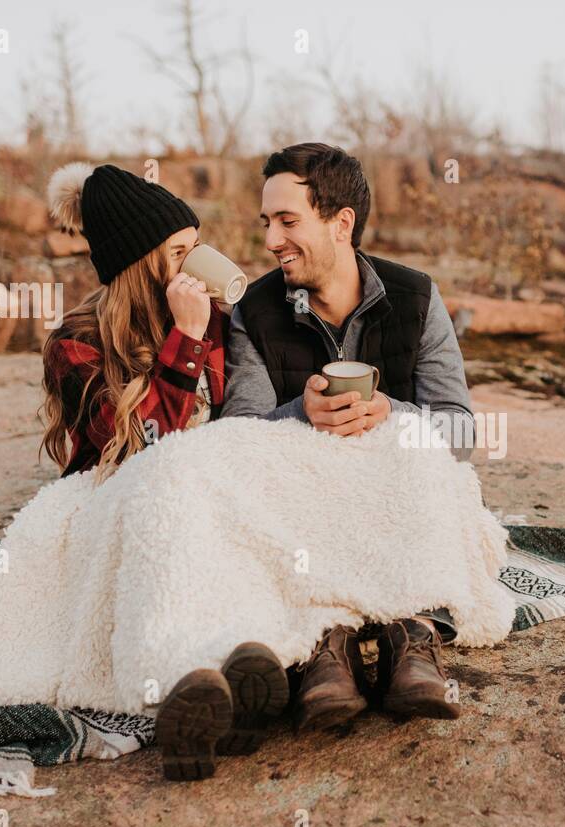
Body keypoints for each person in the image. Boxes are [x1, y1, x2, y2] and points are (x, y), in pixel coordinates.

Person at [39, 162, 289, 781]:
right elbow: (145, 445)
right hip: (120, 504)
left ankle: (229, 682)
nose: (196, 262)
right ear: (141, 262)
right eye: (181, 252)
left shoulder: (225, 323)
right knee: (167, 490)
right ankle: (181, 686)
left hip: (206, 502)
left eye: (197, 246)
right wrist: (185, 339)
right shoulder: (75, 342)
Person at [220, 143, 475, 732]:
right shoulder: (254, 311)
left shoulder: (416, 298)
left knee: (416, 441)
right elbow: (236, 441)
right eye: (267, 223)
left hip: (396, 501)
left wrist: (391, 413)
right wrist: (299, 414)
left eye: (288, 221)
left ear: (341, 224)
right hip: (304, 508)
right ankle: (322, 645)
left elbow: (461, 432)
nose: (270, 241)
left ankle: (413, 636)